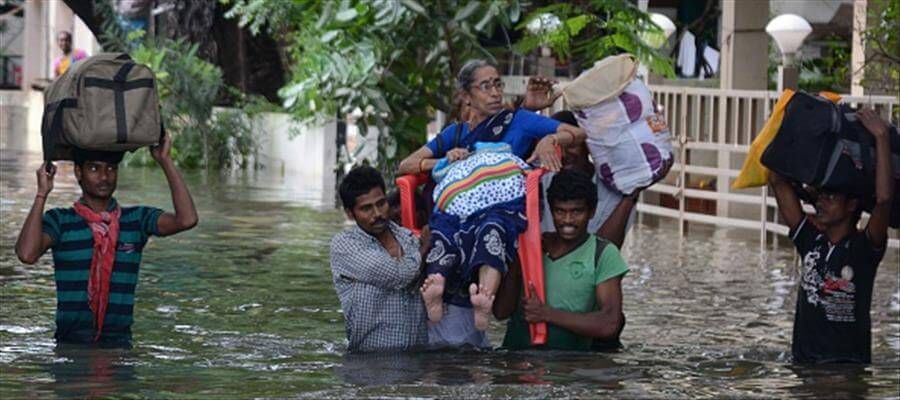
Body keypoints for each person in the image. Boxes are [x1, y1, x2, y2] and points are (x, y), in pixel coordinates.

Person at [399, 59, 586, 348]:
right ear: (466, 96)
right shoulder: (455, 134)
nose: (495, 92)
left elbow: (577, 133)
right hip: (456, 215)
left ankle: (481, 302)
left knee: (490, 229)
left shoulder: (519, 121)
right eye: (485, 86)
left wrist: (550, 138)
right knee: (443, 234)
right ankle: (439, 292)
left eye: (498, 84)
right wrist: (442, 159)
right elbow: (406, 165)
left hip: (497, 215)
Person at [14, 136, 198, 345]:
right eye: (94, 168)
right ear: (78, 172)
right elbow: (26, 255)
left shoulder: (136, 220)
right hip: (70, 347)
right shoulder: (61, 220)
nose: (104, 176)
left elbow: (187, 219)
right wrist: (41, 194)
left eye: (111, 168)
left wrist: (165, 160)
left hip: (119, 348)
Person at [767, 108, 893, 364]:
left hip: (845, 372)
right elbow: (776, 179)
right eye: (821, 195)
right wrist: (798, 127)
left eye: (831, 196)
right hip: (804, 368)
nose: (821, 202)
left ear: (851, 206)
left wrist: (881, 137)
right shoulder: (810, 240)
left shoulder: (864, 249)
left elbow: (884, 199)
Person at [495, 169, 630, 350]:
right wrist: (520, 262)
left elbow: (609, 323)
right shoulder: (532, 248)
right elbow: (500, 312)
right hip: (515, 364)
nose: (568, 220)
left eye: (577, 212)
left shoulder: (603, 254)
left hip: (568, 368)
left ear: (592, 211)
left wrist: (546, 314)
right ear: (551, 210)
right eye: (560, 211)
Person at [330, 166, 428, 352]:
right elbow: (400, 275)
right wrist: (425, 247)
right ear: (350, 214)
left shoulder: (408, 238)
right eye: (366, 208)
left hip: (416, 362)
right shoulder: (345, 246)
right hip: (368, 363)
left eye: (381, 203)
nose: (377, 214)